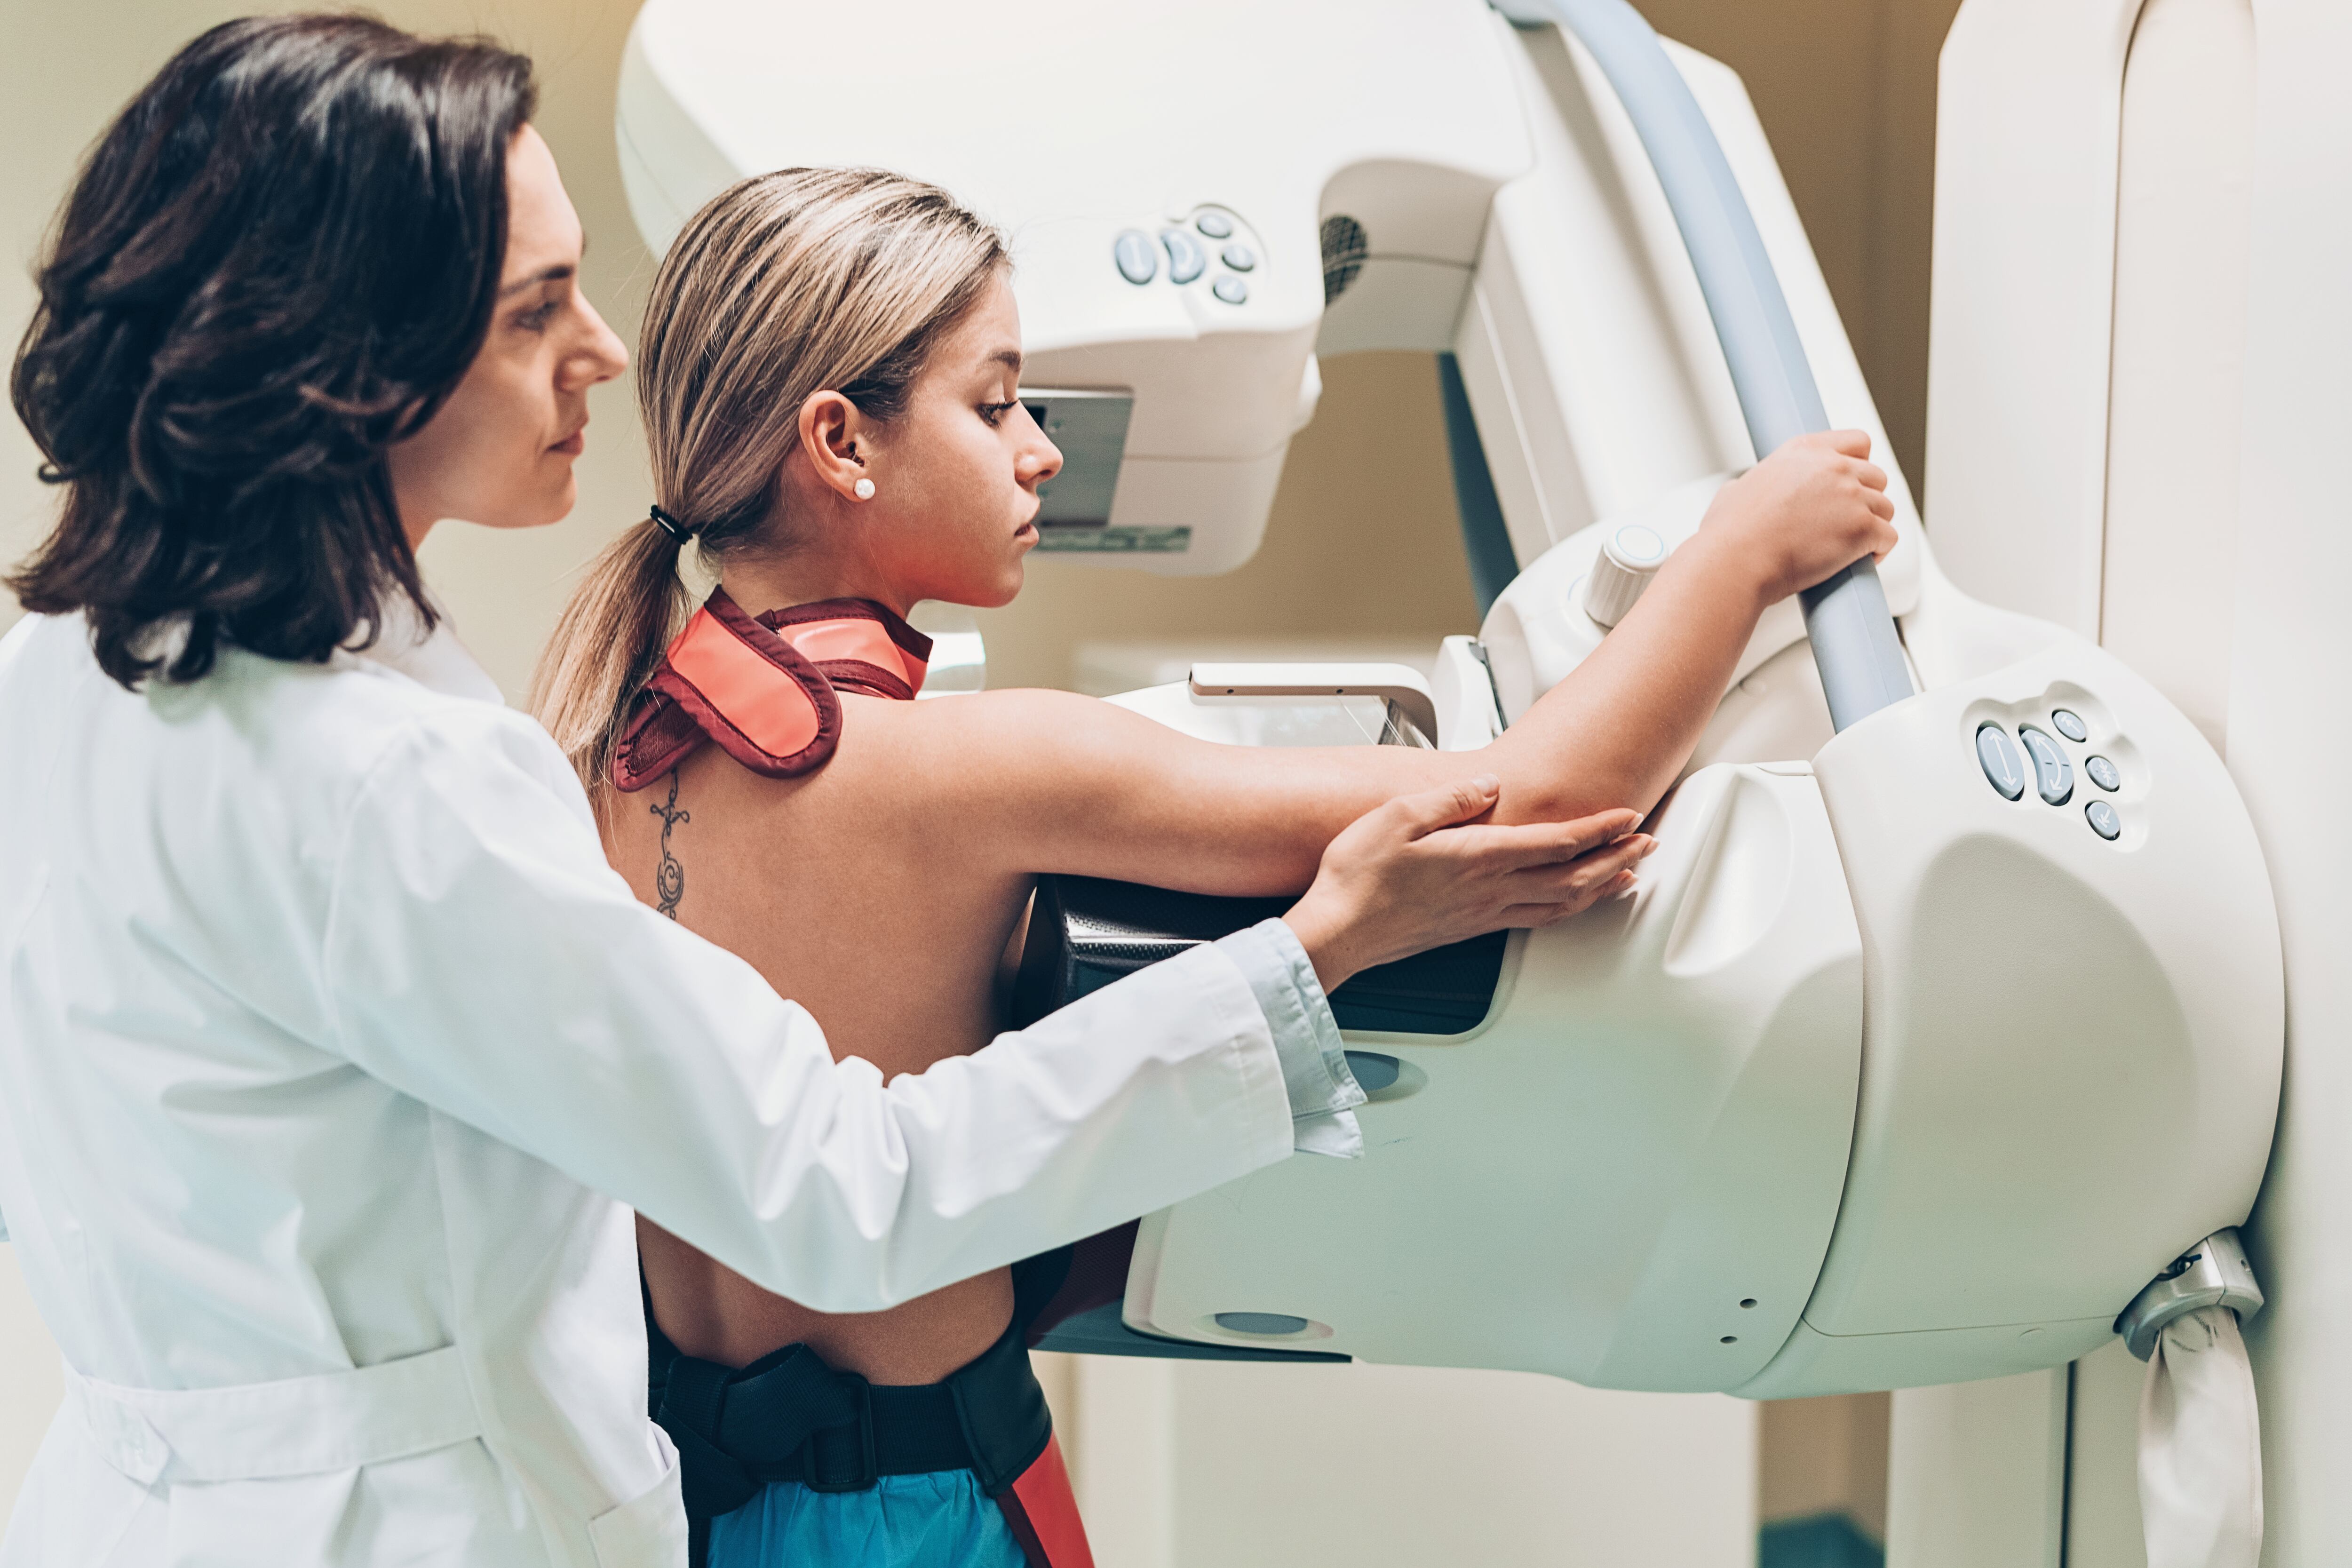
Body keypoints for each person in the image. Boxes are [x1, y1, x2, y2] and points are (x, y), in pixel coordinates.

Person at [0, 19, 1640, 1568]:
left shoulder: (53, 680)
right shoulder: (394, 787)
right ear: (349, 363)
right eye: (535, 308)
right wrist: (1313, 956)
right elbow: (853, 1191)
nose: (605, 349)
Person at [530, 169, 1896, 1568]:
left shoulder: (606, 757)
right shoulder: (958, 769)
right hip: (919, 1509)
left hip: (689, 1497)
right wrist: (1745, 549)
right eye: (995, 403)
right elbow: (1551, 793)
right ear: (841, 440)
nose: (1039, 451)